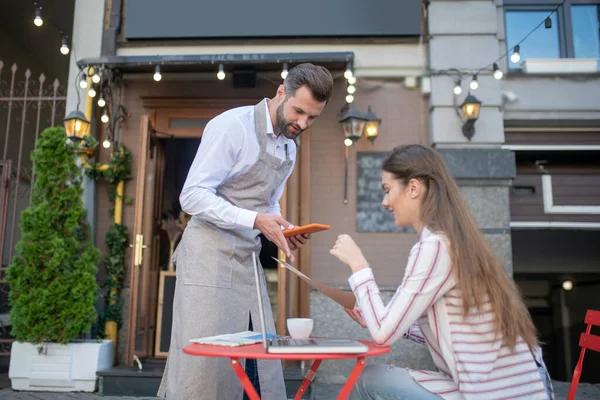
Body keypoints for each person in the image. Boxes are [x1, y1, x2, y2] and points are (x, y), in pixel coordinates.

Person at [158, 63, 334, 400]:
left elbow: (268, 205)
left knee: (259, 363)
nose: (302, 123)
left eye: (312, 118)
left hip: (245, 260)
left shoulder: (290, 148)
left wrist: (281, 228)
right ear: (281, 92)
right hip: (207, 257)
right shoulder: (232, 126)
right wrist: (256, 221)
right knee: (205, 369)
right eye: (299, 112)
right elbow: (192, 196)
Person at [329, 144, 554, 400]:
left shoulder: (435, 246)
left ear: (413, 188)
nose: (385, 201)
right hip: (516, 388)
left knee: (369, 379)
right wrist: (377, 318)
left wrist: (358, 265)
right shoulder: (456, 240)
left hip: (492, 393)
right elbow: (450, 327)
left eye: (388, 190)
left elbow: (383, 335)